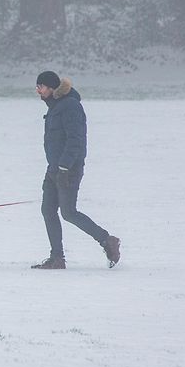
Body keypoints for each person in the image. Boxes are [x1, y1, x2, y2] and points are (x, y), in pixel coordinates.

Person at [32, 71, 120, 270]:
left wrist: (64, 168)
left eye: (41, 86)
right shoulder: (56, 106)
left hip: (68, 169)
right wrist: (55, 168)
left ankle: (107, 240)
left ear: (52, 87)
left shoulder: (70, 106)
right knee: (47, 210)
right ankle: (57, 258)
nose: (38, 91)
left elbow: (76, 140)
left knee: (69, 212)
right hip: (54, 168)